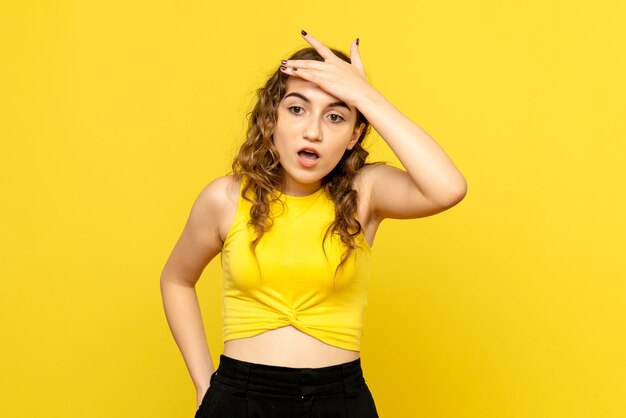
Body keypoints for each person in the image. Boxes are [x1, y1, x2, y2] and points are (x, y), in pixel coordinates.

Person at [160, 30, 467, 417]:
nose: (313, 131)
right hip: (240, 398)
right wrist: (205, 383)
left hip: (339, 401)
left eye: (336, 115)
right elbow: (176, 279)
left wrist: (366, 97)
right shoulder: (226, 198)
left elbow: (448, 188)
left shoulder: (364, 194)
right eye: (297, 109)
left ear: (356, 134)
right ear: (271, 119)